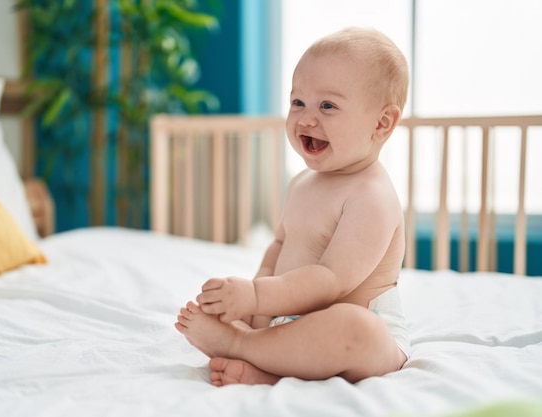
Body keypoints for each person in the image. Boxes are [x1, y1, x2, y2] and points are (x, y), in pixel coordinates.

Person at [175, 27, 410, 386]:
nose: (306, 119)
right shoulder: (301, 183)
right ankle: (264, 363)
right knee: (243, 314)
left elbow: (330, 281)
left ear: (381, 123)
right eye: (298, 102)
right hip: (287, 323)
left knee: (355, 328)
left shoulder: (371, 197)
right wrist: (255, 308)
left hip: (351, 334)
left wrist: (254, 298)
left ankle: (241, 345)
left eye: (327, 106)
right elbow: (279, 248)